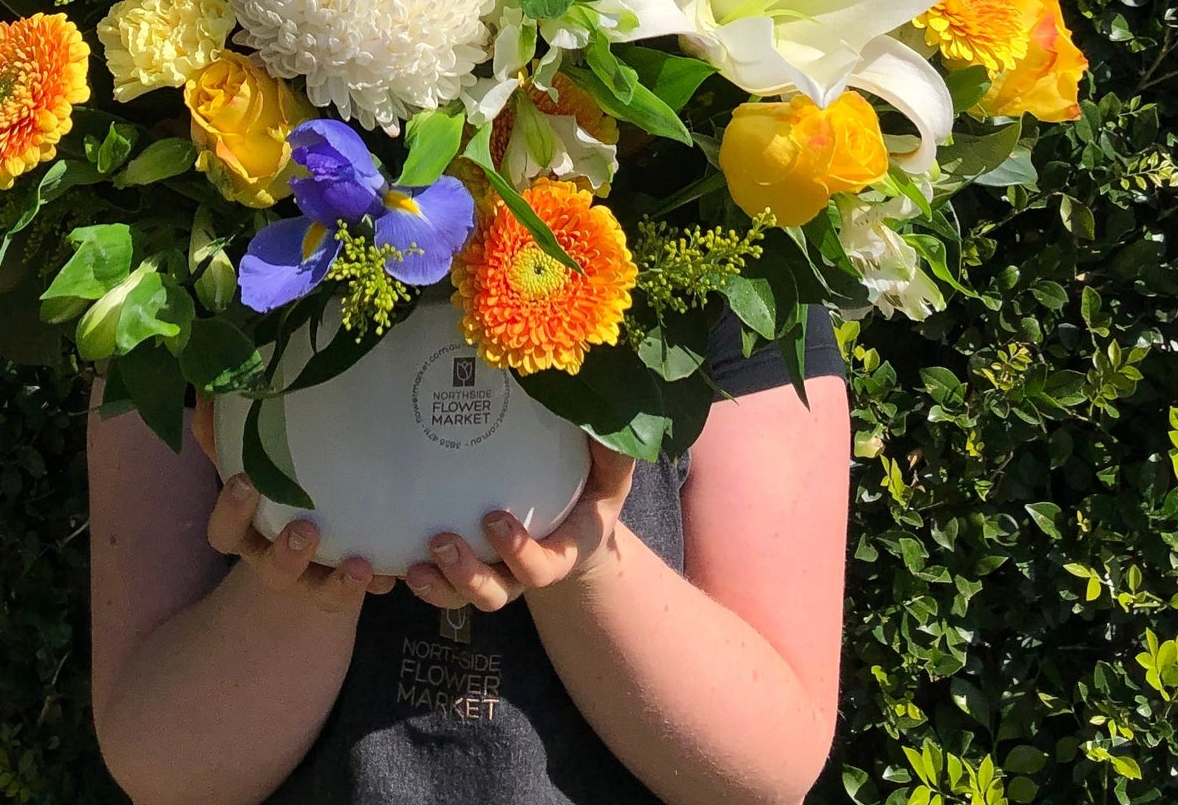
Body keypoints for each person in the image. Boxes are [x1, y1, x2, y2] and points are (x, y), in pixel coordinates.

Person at [88, 306, 850, 805]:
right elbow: (164, 766)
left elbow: (770, 763)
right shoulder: (183, 279)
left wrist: (583, 562)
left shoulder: (734, 283)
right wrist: (297, 572)